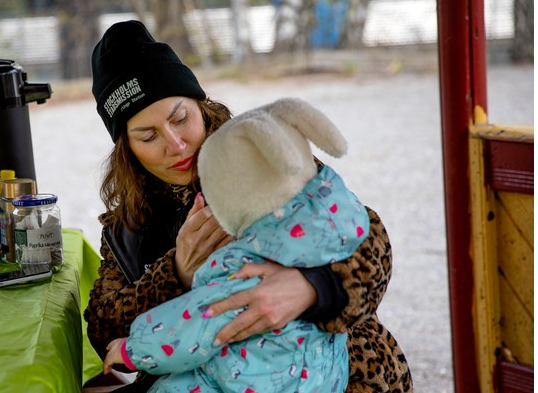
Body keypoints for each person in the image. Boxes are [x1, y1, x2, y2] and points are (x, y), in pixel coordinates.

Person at [84, 20, 412, 392]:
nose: (175, 144)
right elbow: (103, 331)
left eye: (180, 118)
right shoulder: (128, 224)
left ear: (201, 106)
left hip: (334, 366)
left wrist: (313, 288)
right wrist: (175, 273)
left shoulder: (256, 154)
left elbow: (371, 242)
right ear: (127, 148)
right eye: (148, 135)